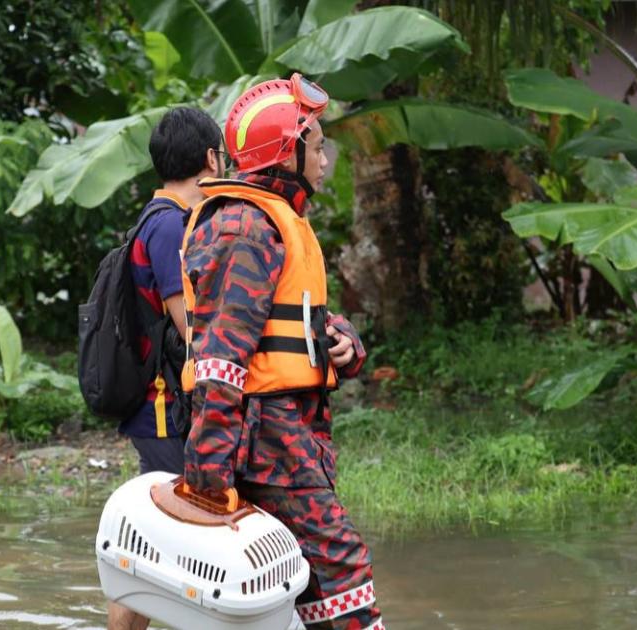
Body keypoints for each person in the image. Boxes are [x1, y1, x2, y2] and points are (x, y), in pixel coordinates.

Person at [179, 74, 383, 630]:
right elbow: (221, 359)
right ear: (285, 151)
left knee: (306, 582)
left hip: (288, 433)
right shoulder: (244, 226)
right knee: (341, 570)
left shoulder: (273, 221)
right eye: (315, 145)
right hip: (264, 437)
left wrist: (345, 344)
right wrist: (208, 477)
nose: (324, 158)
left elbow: (295, 323)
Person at [108, 107, 223, 630]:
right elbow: (192, 324)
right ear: (210, 158)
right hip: (161, 406)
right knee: (166, 535)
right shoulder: (171, 225)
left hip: (159, 405)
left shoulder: (159, 217)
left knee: (153, 538)